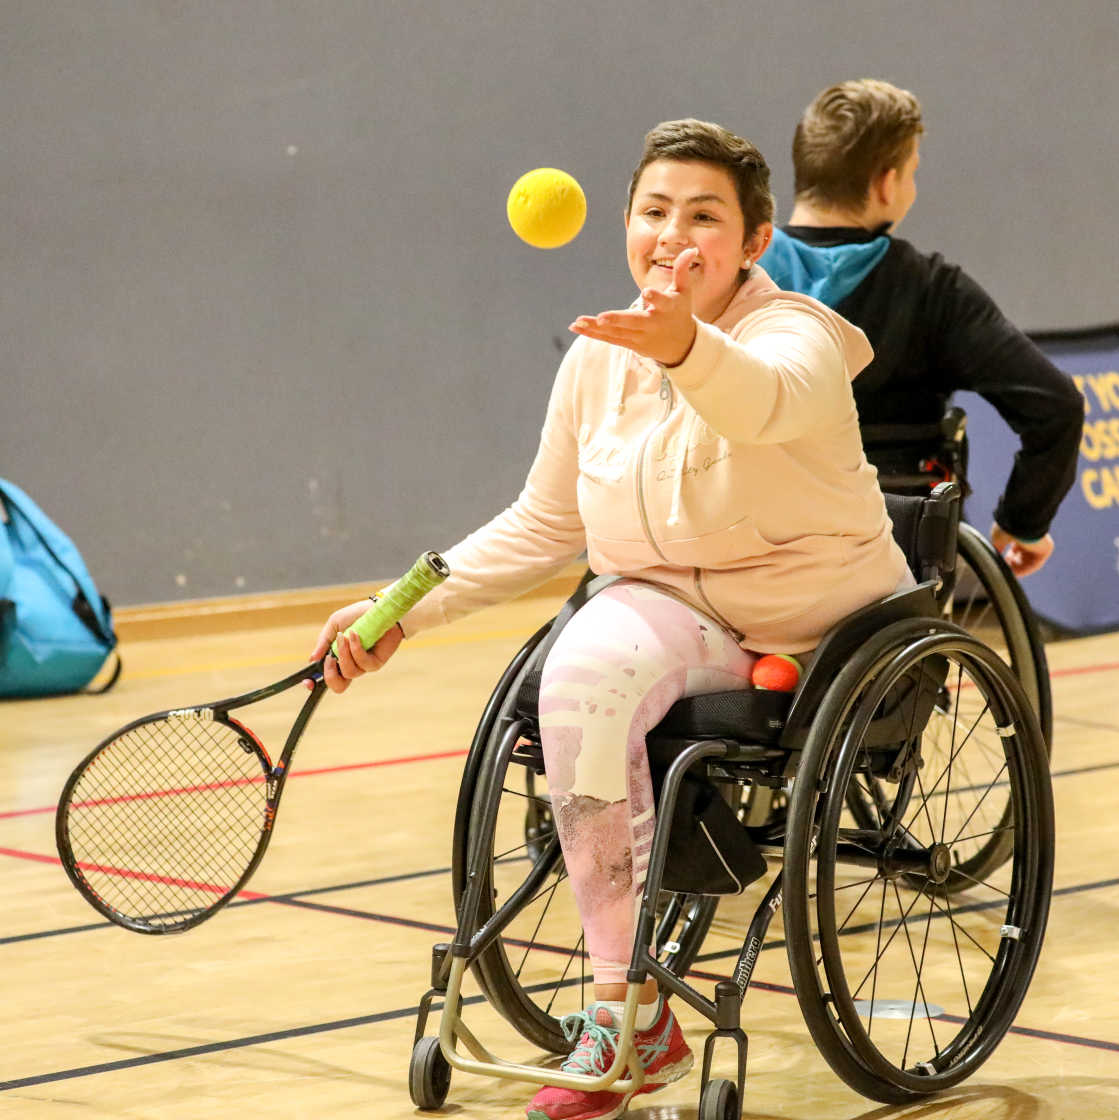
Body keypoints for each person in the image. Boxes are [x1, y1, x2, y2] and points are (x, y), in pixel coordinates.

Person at [310, 119, 909, 1120]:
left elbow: (763, 403)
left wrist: (685, 347)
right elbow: (546, 521)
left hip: (813, 626)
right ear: (627, 225)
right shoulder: (599, 358)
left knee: (608, 652)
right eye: (654, 211)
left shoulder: (794, 333)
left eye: (704, 217)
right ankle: (625, 1015)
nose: (674, 233)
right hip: (674, 610)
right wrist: (400, 608)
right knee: (576, 675)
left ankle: (627, 1012)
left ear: (755, 242)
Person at [759, 78, 1084, 576]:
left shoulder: (736, 273)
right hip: (891, 547)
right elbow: (1056, 406)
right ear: (886, 184)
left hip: (753, 537)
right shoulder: (935, 290)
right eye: (913, 171)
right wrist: (1022, 523)